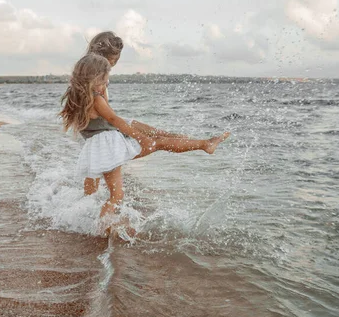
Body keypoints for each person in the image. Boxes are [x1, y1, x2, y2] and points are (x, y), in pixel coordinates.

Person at [60, 53, 230, 237]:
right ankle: (101, 231)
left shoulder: (76, 96)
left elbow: (102, 122)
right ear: (96, 78)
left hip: (97, 146)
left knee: (158, 145)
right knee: (117, 194)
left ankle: (96, 226)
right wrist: (141, 137)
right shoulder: (96, 99)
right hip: (108, 146)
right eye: (105, 79)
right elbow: (115, 120)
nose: (107, 83)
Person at [83, 31, 188, 196]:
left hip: (97, 122)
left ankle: (169, 135)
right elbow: (104, 111)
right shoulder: (96, 77)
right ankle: (88, 199)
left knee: (136, 126)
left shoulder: (89, 70)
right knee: (97, 166)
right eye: (112, 60)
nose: (112, 65)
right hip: (98, 125)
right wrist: (135, 135)